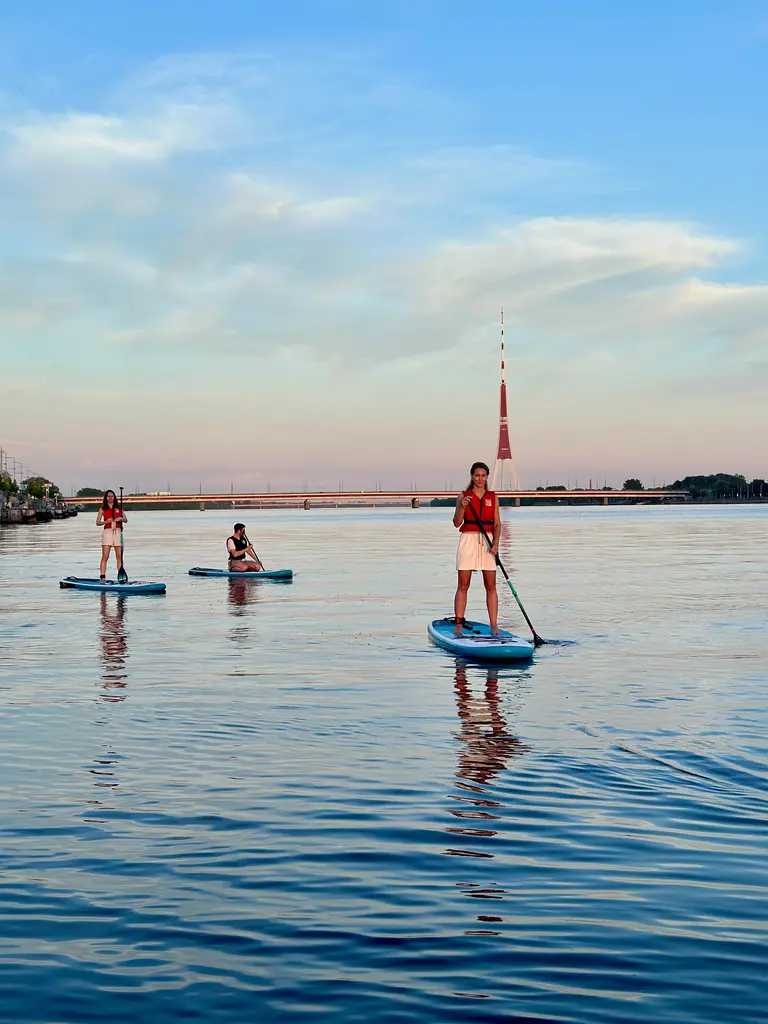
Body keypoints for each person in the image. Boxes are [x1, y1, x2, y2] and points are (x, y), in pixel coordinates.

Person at [452, 461, 500, 635]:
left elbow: (497, 524)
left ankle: (494, 626)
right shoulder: (463, 496)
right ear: (472, 476)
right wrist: (462, 507)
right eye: (477, 475)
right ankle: (458, 624)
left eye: (483, 475)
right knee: (463, 584)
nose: (480, 478)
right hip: (468, 540)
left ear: (487, 477)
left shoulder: (493, 497)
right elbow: (457, 523)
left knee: (491, 585)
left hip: (487, 541)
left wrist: (496, 543)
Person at [96, 489, 126, 580]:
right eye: (108, 496)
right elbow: (97, 523)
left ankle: (120, 576)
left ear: (114, 497)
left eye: (112, 496)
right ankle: (102, 577)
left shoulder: (119, 508)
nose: (110, 498)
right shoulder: (102, 509)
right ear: (106, 498)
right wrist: (106, 521)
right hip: (108, 532)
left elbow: (126, 520)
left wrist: (120, 518)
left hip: (117, 531)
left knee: (119, 556)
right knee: (105, 556)